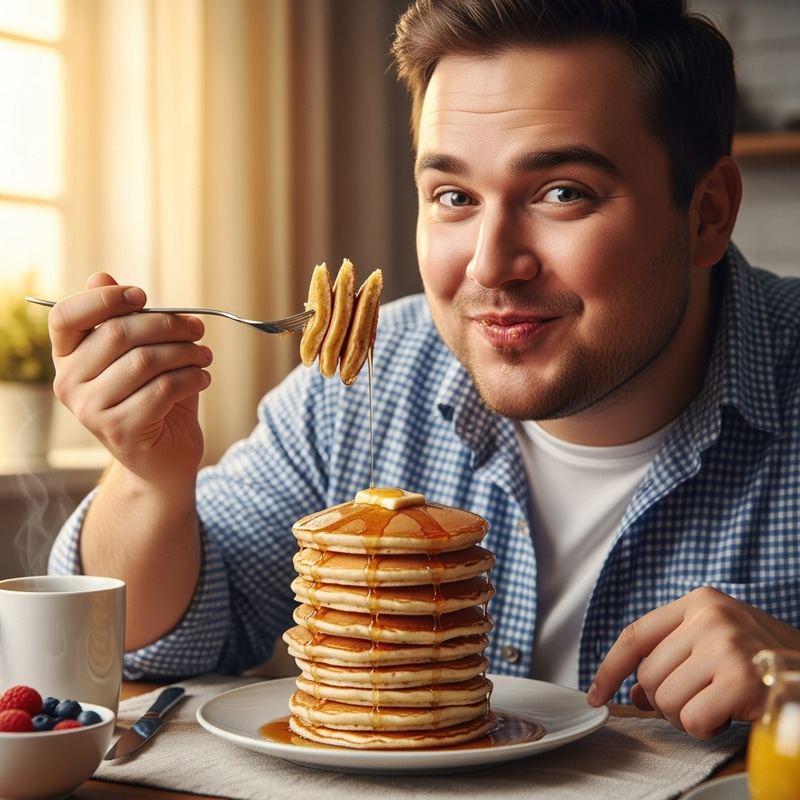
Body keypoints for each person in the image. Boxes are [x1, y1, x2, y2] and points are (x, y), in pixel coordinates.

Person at [48, 0, 800, 740]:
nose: (489, 263)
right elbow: (149, 646)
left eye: (561, 193)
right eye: (454, 197)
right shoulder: (360, 382)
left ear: (707, 213)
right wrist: (148, 476)